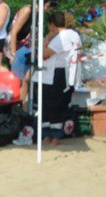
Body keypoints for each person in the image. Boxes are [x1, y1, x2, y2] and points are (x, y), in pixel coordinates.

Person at [38, 6, 80, 143]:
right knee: (58, 104)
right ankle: (50, 135)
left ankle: (54, 136)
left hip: (56, 73)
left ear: (52, 25)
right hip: (70, 73)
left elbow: (45, 53)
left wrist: (46, 39)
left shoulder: (60, 38)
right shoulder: (74, 34)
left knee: (51, 104)